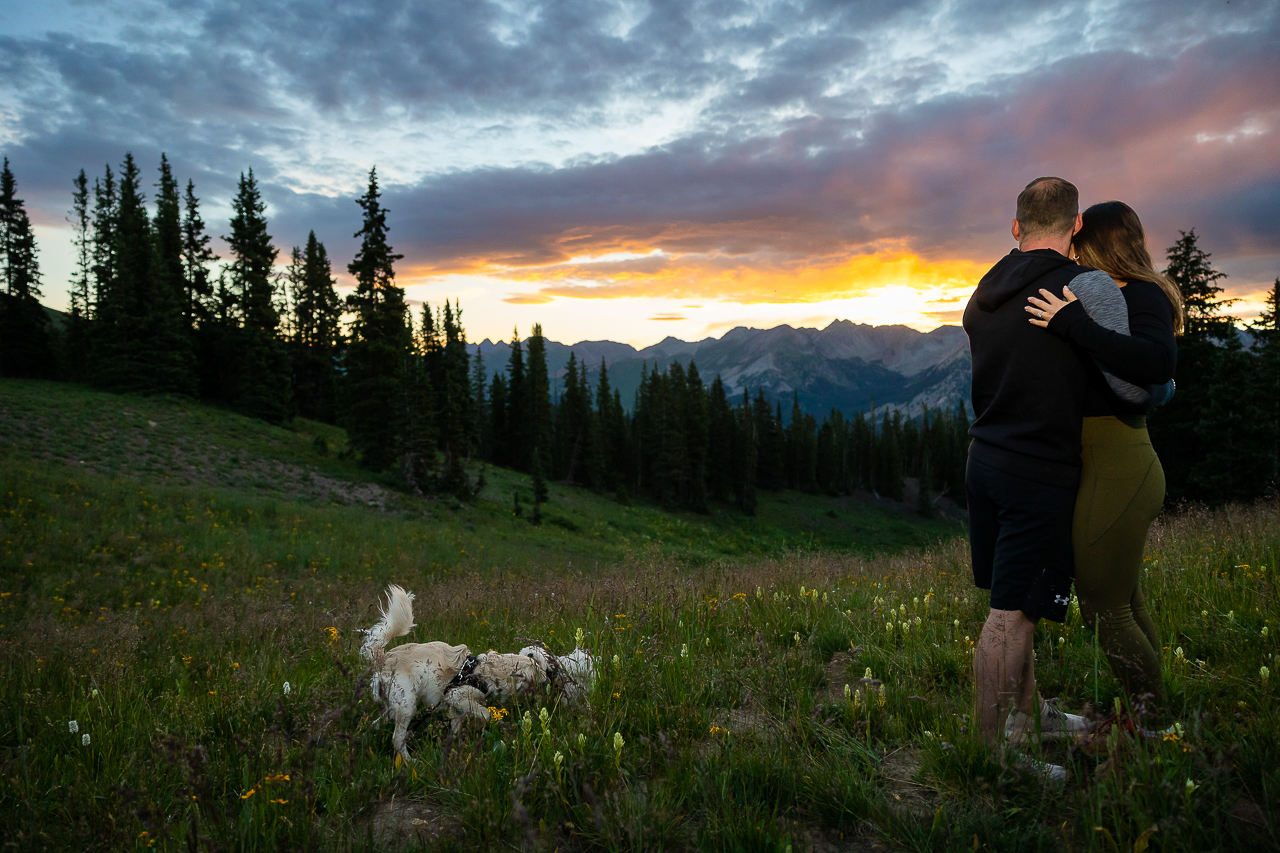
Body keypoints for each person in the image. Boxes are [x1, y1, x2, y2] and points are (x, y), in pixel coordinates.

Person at [962, 177, 1103, 776]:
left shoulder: (984, 291)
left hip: (986, 460)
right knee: (1011, 614)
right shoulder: (1078, 288)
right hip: (1039, 469)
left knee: (1011, 600)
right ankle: (994, 755)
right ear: (1075, 226)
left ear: (1015, 227)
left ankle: (1032, 713)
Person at [1025, 201, 1180, 715]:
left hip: (1121, 461)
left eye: (1078, 239)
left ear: (1096, 241)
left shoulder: (1143, 295)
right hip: (1104, 462)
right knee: (1126, 600)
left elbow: (1157, 364)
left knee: (1100, 606)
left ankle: (1155, 723)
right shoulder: (1106, 296)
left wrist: (1072, 325)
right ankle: (1155, 714)